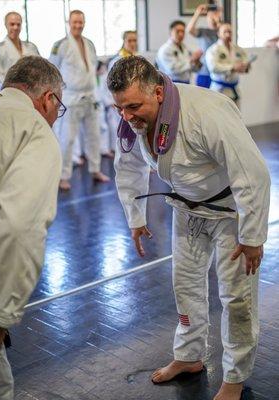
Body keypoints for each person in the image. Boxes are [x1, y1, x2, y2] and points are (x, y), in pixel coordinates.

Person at [107, 56, 270, 400]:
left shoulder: (206, 113)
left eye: (134, 106)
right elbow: (128, 166)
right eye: (120, 108)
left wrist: (253, 237)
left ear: (158, 92)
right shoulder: (133, 119)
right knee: (185, 285)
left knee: (237, 298)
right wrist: (136, 217)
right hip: (187, 208)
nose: (127, 116)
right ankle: (189, 356)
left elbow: (252, 174)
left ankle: (235, 377)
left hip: (230, 214)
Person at [0, 55, 63, 400]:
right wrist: (1, 318)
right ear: (48, 99)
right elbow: (21, 228)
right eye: (58, 108)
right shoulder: (33, 127)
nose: (55, 118)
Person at [50, 9, 110, 191]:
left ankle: (95, 170)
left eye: (81, 22)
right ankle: (63, 176)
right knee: (67, 139)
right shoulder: (60, 45)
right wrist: (55, 96)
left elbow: (94, 68)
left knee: (94, 137)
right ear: (69, 22)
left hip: (90, 96)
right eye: (75, 22)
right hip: (70, 97)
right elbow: (52, 70)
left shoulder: (89, 44)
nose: (78, 25)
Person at [0, 11, 39, 92]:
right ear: (5, 25)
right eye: (12, 24)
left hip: (32, 93)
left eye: (18, 24)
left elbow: (40, 70)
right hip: (9, 95)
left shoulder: (31, 47)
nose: (15, 27)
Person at [206, 23, 249, 104]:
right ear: (219, 33)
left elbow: (245, 61)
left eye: (230, 32)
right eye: (225, 32)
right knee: (219, 115)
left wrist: (245, 67)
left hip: (234, 89)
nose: (228, 34)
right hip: (219, 89)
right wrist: (232, 68)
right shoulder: (213, 50)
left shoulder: (237, 49)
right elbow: (213, 67)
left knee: (235, 116)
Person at [187, 3, 222, 88]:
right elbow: (189, 30)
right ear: (207, 18)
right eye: (210, 16)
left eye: (214, 15)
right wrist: (198, 13)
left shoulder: (222, 32)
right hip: (204, 72)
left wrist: (218, 21)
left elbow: (224, 34)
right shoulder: (203, 32)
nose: (212, 18)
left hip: (218, 72)